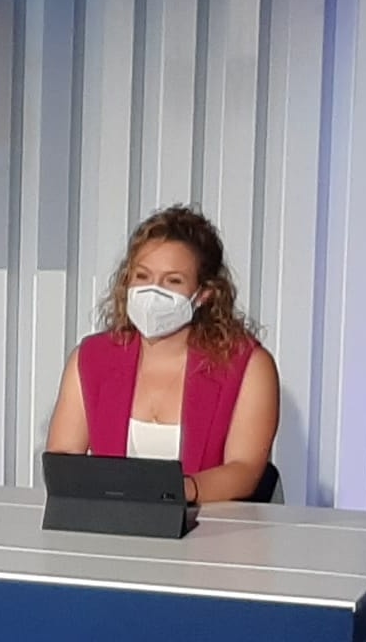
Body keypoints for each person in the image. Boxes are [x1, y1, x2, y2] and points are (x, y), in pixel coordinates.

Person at [46, 205, 277, 502]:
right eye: (142, 276)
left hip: (208, 525)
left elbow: (244, 470)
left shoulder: (248, 366)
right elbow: (63, 461)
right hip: (109, 524)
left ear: (204, 294)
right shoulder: (91, 359)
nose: (153, 291)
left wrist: (174, 492)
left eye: (173, 281)